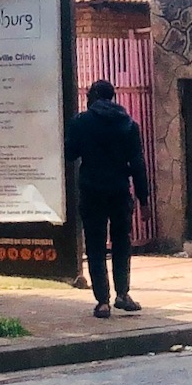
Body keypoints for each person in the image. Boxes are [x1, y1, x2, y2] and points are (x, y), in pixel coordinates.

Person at [65, 78, 149, 319]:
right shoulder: (128, 124)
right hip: (119, 190)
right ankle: (123, 294)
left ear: (91, 97)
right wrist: (143, 200)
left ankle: (103, 301)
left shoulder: (81, 122)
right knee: (122, 242)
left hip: (92, 191)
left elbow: (70, 153)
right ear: (112, 97)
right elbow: (138, 164)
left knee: (95, 245)